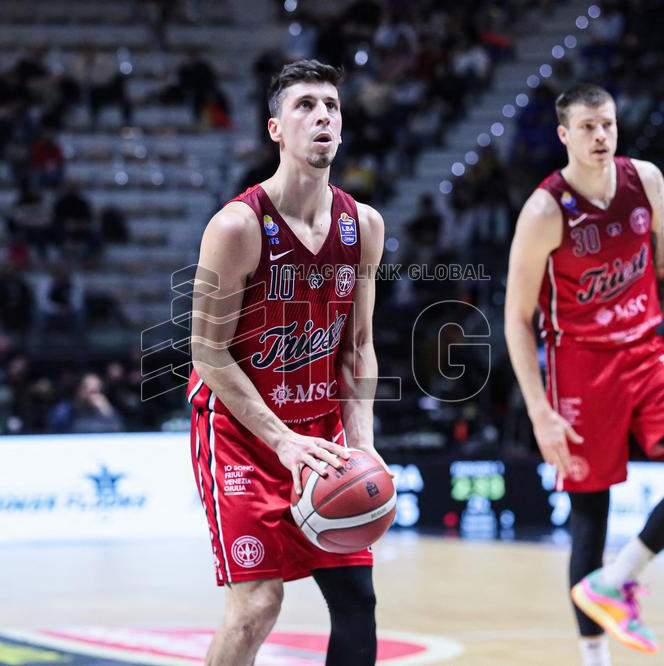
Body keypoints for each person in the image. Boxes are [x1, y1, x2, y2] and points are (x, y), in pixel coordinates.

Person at [504, 83, 664, 664]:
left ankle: (619, 578)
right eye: (587, 127)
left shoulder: (647, 182)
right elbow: (516, 318)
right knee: (591, 514)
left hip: (646, 352)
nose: (601, 136)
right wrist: (539, 411)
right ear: (564, 135)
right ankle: (595, 659)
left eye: (607, 124)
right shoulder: (544, 210)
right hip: (580, 366)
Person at [187, 59, 386, 666]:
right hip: (241, 436)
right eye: (305, 105)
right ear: (275, 128)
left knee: (357, 601)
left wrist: (362, 444)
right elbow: (207, 351)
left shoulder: (364, 225)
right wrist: (280, 441)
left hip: (320, 436)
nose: (322, 115)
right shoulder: (237, 226)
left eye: (332, 106)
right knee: (257, 605)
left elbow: (357, 347)